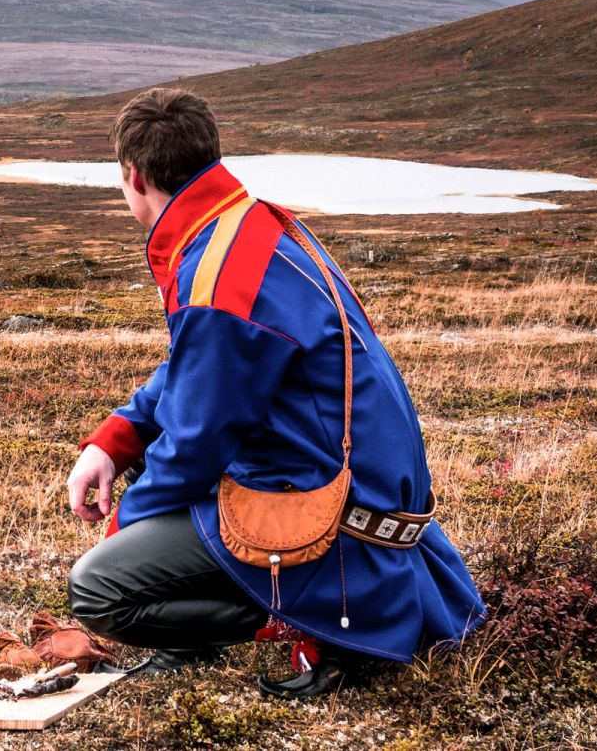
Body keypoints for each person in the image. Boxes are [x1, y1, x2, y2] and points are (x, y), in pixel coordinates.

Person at [64, 88, 485, 697]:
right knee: (142, 478)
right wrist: (115, 441)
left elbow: (197, 440)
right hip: (362, 491)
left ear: (134, 176)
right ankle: (209, 630)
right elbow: (198, 367)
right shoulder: (251, 226)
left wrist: (124, 529)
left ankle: (299, 619)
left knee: (98, 591)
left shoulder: (217, 275)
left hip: (332, 515)